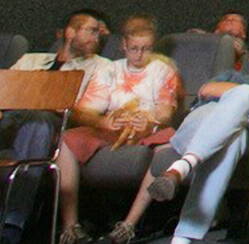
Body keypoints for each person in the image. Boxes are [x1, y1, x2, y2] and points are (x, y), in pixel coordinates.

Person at [116, 30, 249, 244]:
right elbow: (207, 89)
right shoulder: (235, 77)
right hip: (203, 121)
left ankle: (184, 165)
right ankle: (183, 237)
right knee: (234, 137)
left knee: (247, 100)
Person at [55, 17, 184, 244]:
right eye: (134, 48)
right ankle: (70, 226)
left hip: (147, 127)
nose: (139, 54)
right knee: (67, 139)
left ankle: (128, 225)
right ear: (124, 45)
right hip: (112, 126)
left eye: (146, 49)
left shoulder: (161, 70)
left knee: (168, 145)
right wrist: (103, 122)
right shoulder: (110, 70)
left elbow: (165, 111)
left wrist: (149, 120)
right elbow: (84, 111)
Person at [3, 11, 110, 244]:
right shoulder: (31, 60)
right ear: (71, 32)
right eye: (91, 30)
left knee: (38, 121)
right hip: (10, 118)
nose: (97, 37)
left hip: (53, 123)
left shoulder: (99, 67)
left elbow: (85, 110)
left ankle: (12, 225)